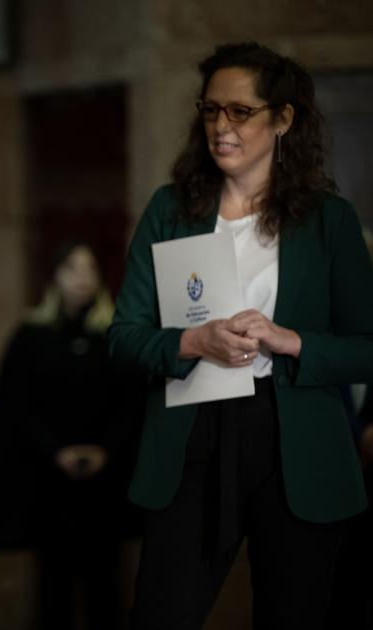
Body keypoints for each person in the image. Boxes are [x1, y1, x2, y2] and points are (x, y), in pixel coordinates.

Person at [108, 42, 373, 629]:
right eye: (210, 110)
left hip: (296, 443)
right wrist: (194, 343)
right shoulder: (170, 209)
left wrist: (291, 340)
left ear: (283, 119)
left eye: (240, 111)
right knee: (159, 616)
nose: (220, 127)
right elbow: (123, 337)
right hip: (193, 439)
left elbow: (368, 346)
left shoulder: (328, 221)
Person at [0, 241, 140, 629]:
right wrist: (55, 452)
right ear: (54, 277)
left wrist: (105, 451)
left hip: (105, 486)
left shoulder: (117, 337)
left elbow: (133, 403)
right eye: (72, 268)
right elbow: (15, 407)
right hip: (48, 486)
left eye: (90, 268)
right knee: (51, 593)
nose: (82, 277)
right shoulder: (30, 337)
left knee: (105, 590)